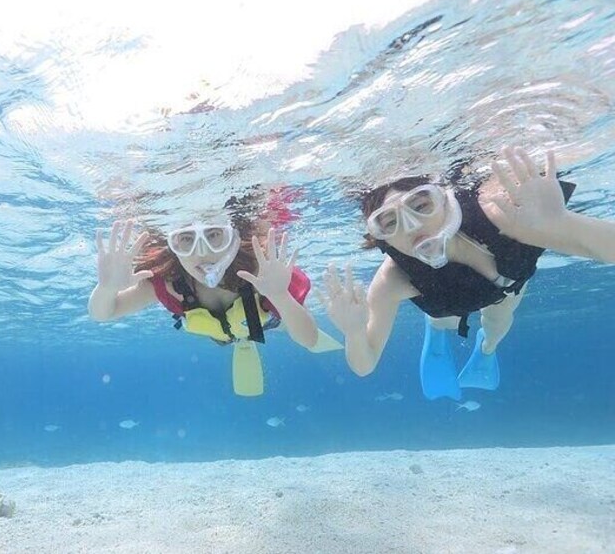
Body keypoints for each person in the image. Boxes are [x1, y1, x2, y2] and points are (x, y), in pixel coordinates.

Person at [318, 146, 615, 400]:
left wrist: (563, 225)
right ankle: (436, 327)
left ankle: (485, 350)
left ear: (445, 198)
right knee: (443, 315)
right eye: (388, 222)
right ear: (380, 239)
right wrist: (355, 332)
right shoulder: (393, 280)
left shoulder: (502, 213)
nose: (411, 226)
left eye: (421, 204)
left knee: (497, 326)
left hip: (504, 287)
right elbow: (365, 364)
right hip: (445, 295)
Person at [89, 208, 341, 397]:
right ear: (172, 245)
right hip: (217, 329)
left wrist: (281, 296)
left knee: (281, 321)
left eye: (214, 235)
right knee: (225, 333)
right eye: (186, 239)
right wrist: (107, 288)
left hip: (267, 318)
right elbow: (103, 313)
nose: (202, 252)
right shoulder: (167, 282)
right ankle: (239, 337)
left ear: (233, 237)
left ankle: (247, 333)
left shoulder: (263, 271)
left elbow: (309, 338)